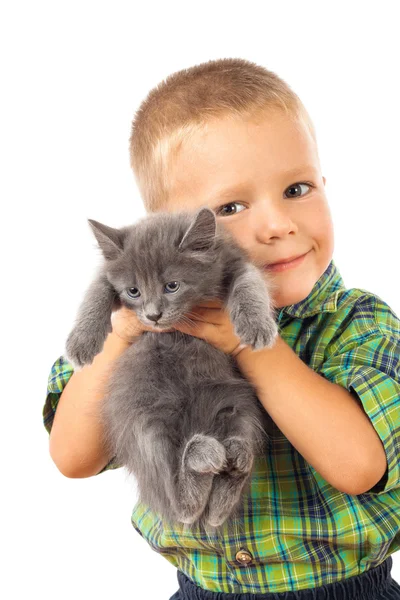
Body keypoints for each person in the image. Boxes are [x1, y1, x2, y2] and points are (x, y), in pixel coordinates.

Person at [43, 58, 400, 599]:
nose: (278, 224)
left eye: (298, 189)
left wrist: (251, 348)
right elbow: (73, 457)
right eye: (230, 206)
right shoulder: (143, 326)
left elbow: (359, 467)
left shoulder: (356, 324)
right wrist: (119, 336)